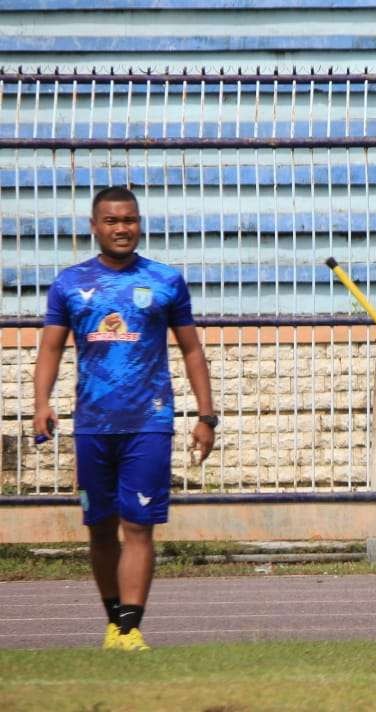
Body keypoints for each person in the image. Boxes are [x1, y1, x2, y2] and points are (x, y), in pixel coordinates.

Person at [33, 186, 217, 652]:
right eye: (112, 221)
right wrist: (41, 403)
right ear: (94, 226)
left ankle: (130, 628)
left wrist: (206, 415)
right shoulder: (69, 283)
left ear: (140, 223)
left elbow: (191, 349)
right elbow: (50, 348)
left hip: (149, 422)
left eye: (130, 220)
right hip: (92, 424)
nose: (122, 229)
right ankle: (114, 622)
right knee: (99, 526)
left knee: (138, 525)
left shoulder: (165, 281)